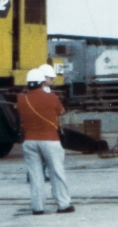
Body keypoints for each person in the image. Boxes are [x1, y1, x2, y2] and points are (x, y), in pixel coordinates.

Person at [16, 68, 75, 215]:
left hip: (29, 141)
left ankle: (37, 207)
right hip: (50, 140)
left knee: (35, 176)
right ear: (42, 82)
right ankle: (63, 205)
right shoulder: (52, 97)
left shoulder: (21, 99)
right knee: (56, 172)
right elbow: (60, 111)